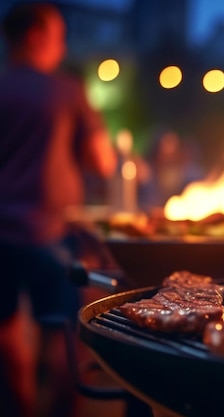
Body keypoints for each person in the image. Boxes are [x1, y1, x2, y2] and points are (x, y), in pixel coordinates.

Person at [0, 3, 117, 417]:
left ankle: (24, 408)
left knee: (7, 331)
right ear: (35, 37)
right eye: (58, 36)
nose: (62, 46)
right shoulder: (65, 90)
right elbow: (102, 161)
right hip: (48, 233)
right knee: (66, 332)